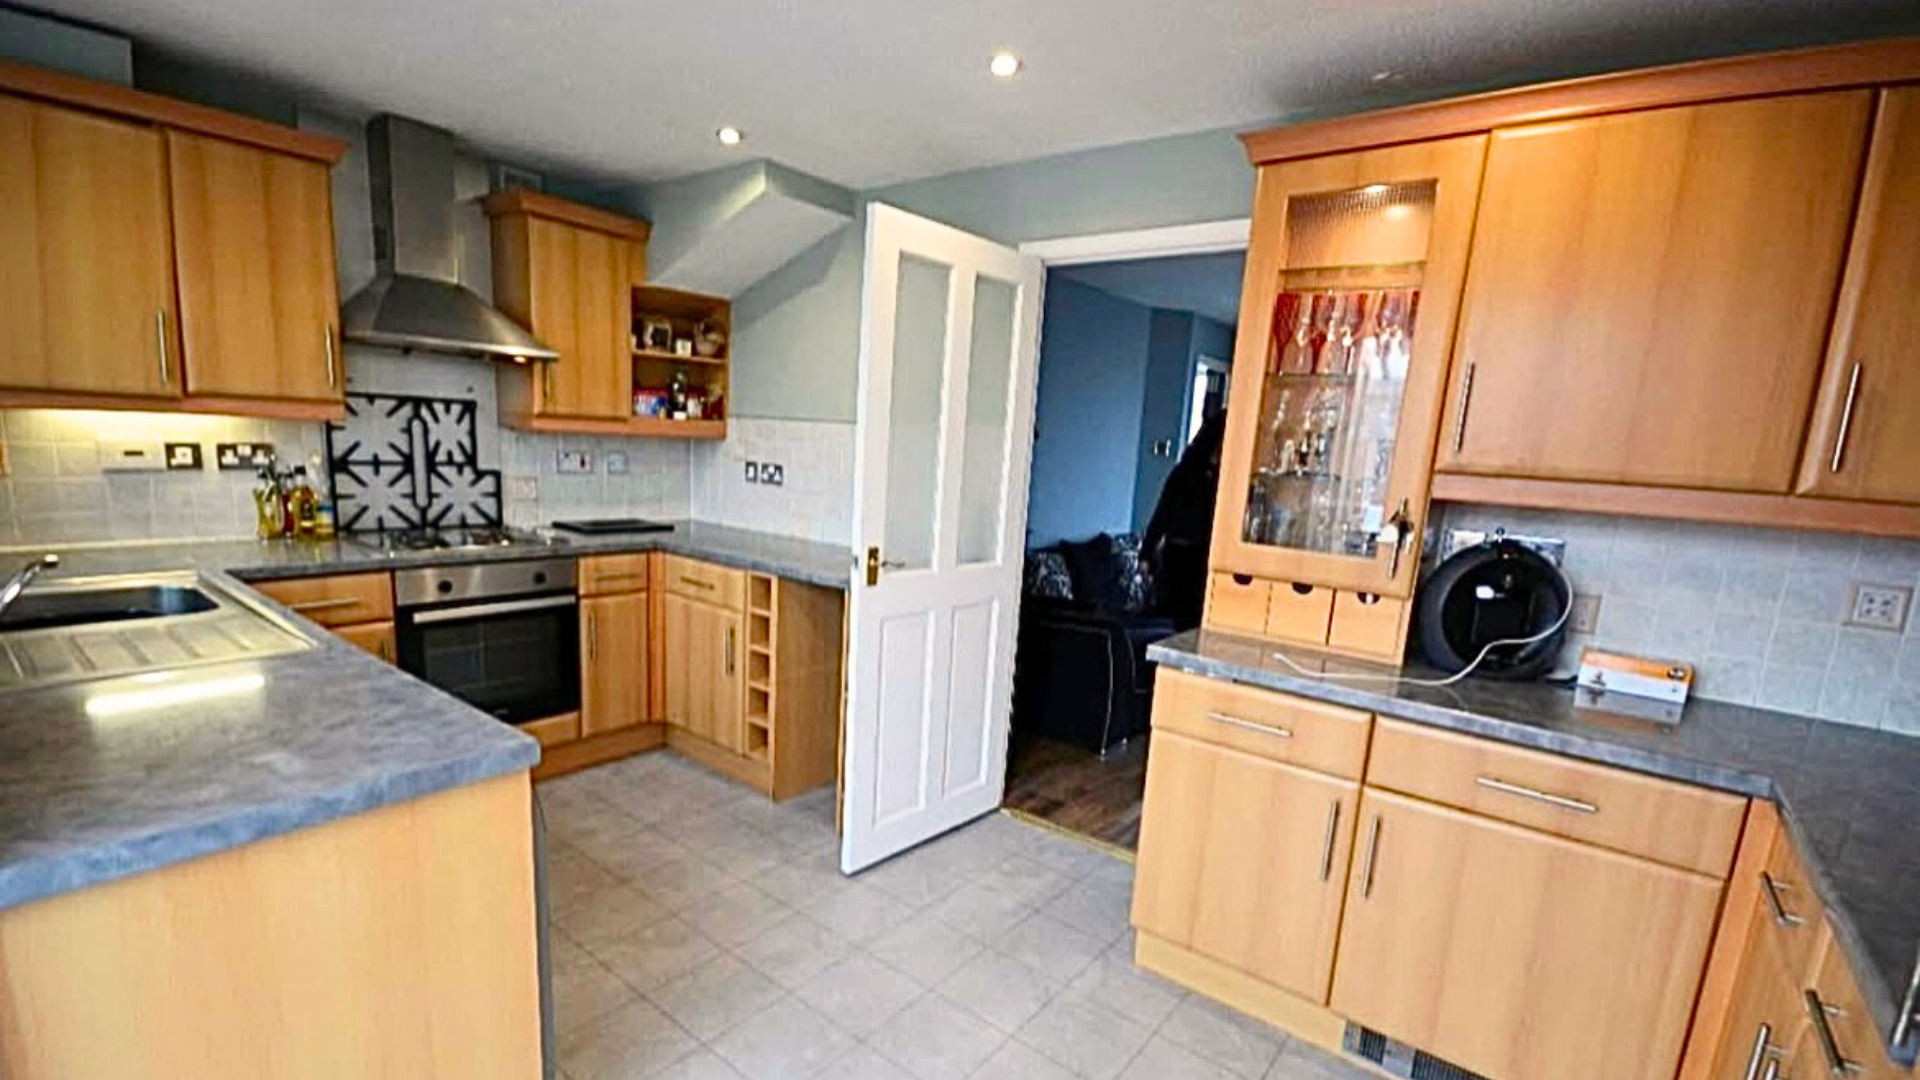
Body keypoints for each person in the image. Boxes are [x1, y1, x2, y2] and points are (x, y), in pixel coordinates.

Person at [1142, 409, 1228, 631]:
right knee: (1182, 622)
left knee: (1188, 622)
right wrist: (1146, 554)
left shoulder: (1208, 475)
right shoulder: (1189, 474)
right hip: (1184, 558)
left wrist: (1147, 553)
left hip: (1192, 556)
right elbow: (1162, 513)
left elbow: (1162, 513)